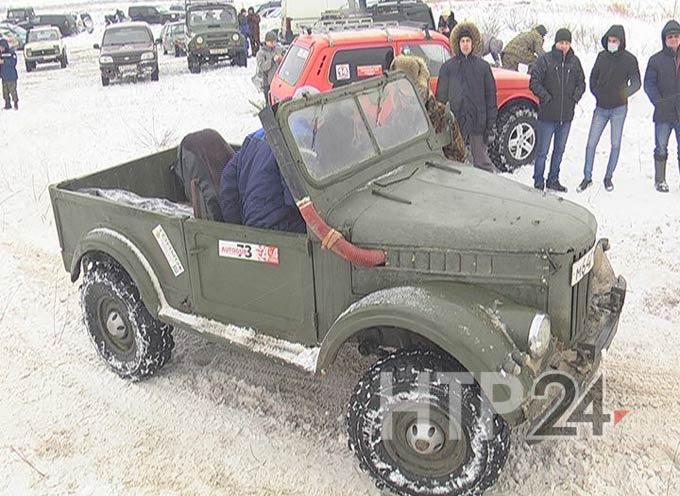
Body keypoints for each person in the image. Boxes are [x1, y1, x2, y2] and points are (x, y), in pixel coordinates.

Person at [578, 25, 640, 193]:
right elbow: (593, 78)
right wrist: (597, 94)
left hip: (619, 109)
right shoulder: (601, 56)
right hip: (601, 108)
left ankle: (608, 177)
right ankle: (587, 177)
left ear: (621, 42)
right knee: (591, 144)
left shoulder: (630, 59)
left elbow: (636, 83)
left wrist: (622, 95)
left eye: (615, 41)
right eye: (610, 41)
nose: (612, 43)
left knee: (615, 144)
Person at [436, 22, 497, 172]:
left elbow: (491, 97)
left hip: (478, 123)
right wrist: (439, 124)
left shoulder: (483, 67)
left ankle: (487, 190)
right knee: (456, 163)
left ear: (473, 43)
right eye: (462, 41)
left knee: (482, 162)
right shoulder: (448, 67)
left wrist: (490, 126)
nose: (465, 44)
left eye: (468, 41)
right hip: (456, 124)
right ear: (458, 43)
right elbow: (440, 99)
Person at [530, 28, 585, 191]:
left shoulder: (575, 62)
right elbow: (534, 82)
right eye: (561, 42)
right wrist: (546, 98)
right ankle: (538, 183)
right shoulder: (545, 60)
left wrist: (574, 97)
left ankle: (553, 179)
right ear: (556, 43)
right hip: (547, 116)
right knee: (542, 153)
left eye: (567, 43)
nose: (564, 46)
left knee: (559, 151)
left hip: (566, 117)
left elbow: (581, 83)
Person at [219, 127, 306, 233]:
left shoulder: (254, 137)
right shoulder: (300, 137)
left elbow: (228, 180)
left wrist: (239, 229)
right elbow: (298, 198)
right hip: (282, 228)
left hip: (251, 224)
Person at [390, 55, 467, 162]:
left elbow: (459, 157)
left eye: (404, 86)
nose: (401, 93)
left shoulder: (442, 116)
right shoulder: (396, 116)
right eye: (399, 88)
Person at [643, 20, 680, 193]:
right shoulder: (656, 60)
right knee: (661, 147)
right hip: (663, 114)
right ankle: (660, 180)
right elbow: (649, 84)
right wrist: (659, 102)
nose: (673, 39)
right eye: (670, 37)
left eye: (676, 36)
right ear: (664, 39)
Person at [255, 31, 285, 104]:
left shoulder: (278, 48)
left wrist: (282, 58)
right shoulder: (261, 53)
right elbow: (262, 67)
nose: (274, 44)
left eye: (275, 42)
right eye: (272, 42)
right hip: (267, 82)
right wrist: (272, 60)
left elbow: (286, 54)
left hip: (279, 81)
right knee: (269, 102)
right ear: (267, 42)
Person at [0, 38, 18, 110]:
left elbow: (13, 62)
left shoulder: (11, 53)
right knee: (5, 92)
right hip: (4, 77)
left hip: (11, 76)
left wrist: (4, 62)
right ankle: (7, 104)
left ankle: (15, 103)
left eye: (1, 47)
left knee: (13, 91)